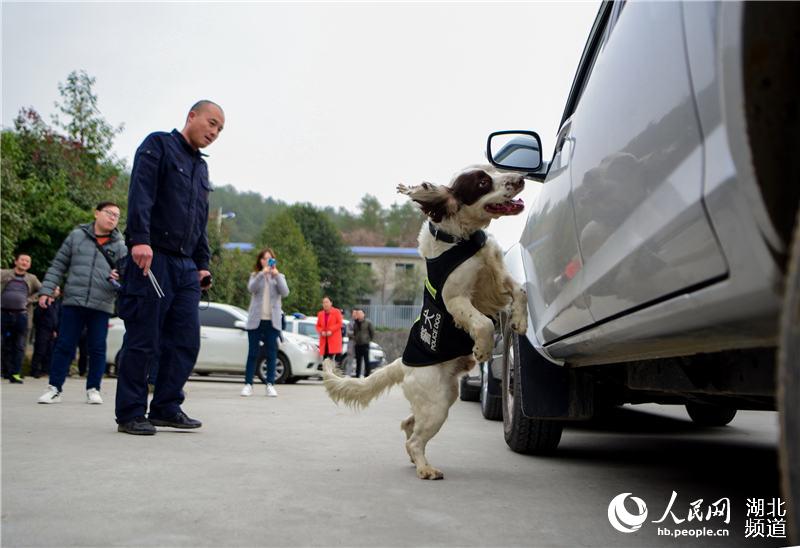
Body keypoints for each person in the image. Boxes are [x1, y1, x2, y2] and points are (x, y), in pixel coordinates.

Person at [115, 100, 224, 435]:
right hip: (153, 257)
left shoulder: (200, 168)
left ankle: (165, 406)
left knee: (185, 340)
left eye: (220, 129)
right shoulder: (158, 145)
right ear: (192, 116)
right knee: (145, 337)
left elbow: (199, 222)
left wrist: (202, 264)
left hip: (186, 266)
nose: (214, 132)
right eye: (211, 122)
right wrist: (139, 239)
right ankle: (131, 413)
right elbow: (141, 194)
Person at [37, 201, 127, 404]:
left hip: (102, 303)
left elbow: (128, 278)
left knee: (97, 348)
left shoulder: (121, 246)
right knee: (64, 345)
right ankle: (54, 388)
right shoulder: (77, 236)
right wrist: (47, 290)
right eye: (109, 213)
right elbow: (58, 264)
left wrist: (120, 277)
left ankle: (94, 388)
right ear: (96, 213)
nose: (113, 218)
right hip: (73, 301)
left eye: (117, 215)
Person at [241, 247, 289, 397]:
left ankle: (270, 384)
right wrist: (263, 274)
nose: (267, 261)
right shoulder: (255, 275)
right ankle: (248, 384)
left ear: (273, 260)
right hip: (256, 321)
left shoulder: (279, 276)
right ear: (260, 261)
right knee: (253, 353)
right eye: (264, 258)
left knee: (271, 353)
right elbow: (251, 288)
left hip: (272, 321)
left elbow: (285, 292)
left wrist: (276, 276)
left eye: (270, 258)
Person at [1, 253, 42, 383]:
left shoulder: (32, 278)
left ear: (29, 265)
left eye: (27, 261)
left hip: (22, 315)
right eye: (22, 260)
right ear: (16, 262)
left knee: (19, 345)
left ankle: (15, 374)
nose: (25, 262)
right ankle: (4, 371)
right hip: (3, 313)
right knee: (2, 343)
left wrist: (30, 299)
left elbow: (43, 290)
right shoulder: (4, 274)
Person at [30, 285, 61, 379]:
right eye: (55, 289)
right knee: (40, 350)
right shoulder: (43, 302)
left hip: (53, 330)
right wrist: (41, 327)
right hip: (43, 329)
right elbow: (37, 316)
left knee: (50, 351)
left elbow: (58, 318)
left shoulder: (57, 304)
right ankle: (34, 370)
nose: (57, 291)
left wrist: (56, 330)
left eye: (58, 290)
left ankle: (45, 370)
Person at [316, 296, 343, 365]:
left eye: (327, 302)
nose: (325, 304)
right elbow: (318, 326)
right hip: (324, 340)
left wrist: (331, 330)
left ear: (331, 303)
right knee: (326, 359)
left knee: (335, 359)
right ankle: (326, 374)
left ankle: (334, 374)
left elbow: (340, 323)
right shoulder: (320, 314)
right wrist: (322, 331)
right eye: (324, 302)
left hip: (334, 340)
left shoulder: (336, 312)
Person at [351, 308, 375, 378]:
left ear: (364, 314)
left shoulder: (368, 322)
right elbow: (354, 332)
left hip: (365, 344)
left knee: (366, 360)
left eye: (360, 313)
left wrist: (369, 340)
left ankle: (367, 374)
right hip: (357, 344)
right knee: (358, 360)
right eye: (358, 314)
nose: (359, 315)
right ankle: (357, 374)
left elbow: (372, 332)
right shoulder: (355, 322)